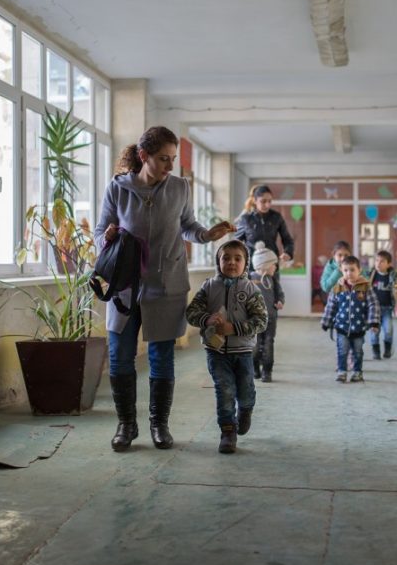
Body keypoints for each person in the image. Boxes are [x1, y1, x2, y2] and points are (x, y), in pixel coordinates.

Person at [94, 126, 235, 452]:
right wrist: (107, 238)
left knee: (161, 358)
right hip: (124, 287)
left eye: (172, 159)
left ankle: (159, 425)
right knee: (120, 358)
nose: (170, 166)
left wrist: (208, 235)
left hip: (166, 284)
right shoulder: (118, 189)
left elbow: (187, 225)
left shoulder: (180, 188)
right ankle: (126, 426)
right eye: (163, 159)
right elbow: (100, 230)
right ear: (144, 156)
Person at [185, 240, 268, 454]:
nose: (231, 262)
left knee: (245, 391)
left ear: (246, 263)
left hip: (243, 352)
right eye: (226, 258)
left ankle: (246, 410)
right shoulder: (209, 286)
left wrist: (234, 328)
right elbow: (191, 312)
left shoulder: (250, 289)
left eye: (237, 258)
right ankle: (228, 432)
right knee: (225, 391)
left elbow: (261, 320)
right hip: (216, 352)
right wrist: (206, 319)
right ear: (218, 261)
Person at [320, 255, 379, 383]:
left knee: (357, 351)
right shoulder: (338, 287)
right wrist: (326, 321)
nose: (349, 273)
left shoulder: (366, 287)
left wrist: (374, 322)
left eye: (352, 270)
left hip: (359, 328)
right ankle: (342, 371)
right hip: (341, 327)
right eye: (346, 270)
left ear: (359, 270)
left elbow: (373, 305)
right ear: (342, 271)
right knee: (342, 350)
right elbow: (331, 305)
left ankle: (357, 372)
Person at [234, 185, 295, 271]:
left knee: (273, 285)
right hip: (251, 267)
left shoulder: (276, 217)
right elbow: (236, 243)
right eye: (263, 201)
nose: (267, 205)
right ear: (255, 200)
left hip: (272, 266)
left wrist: (288, 252)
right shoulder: (246, 219)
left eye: (270, 201)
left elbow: (288, 240)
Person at [249, 241, 285, 383]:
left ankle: (267, 371)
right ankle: (255, 368)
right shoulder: (250, 280)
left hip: (270, 318)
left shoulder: (273, 280)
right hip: (254, 320)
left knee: (269, 344)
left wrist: (280, 301)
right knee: (255, 346)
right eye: (273, 264)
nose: (275, 267)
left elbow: (279, 294)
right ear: (263, 265)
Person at [365, 250, 397, 360]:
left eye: (382, 261)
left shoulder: (394, 276)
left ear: (388, 264)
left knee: (388, 330)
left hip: (387, 308)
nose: (378, 263)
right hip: (373, 310)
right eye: (376, 260)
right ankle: (375, 351)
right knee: (374, 331)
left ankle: (387, 348)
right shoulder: (371, 274)